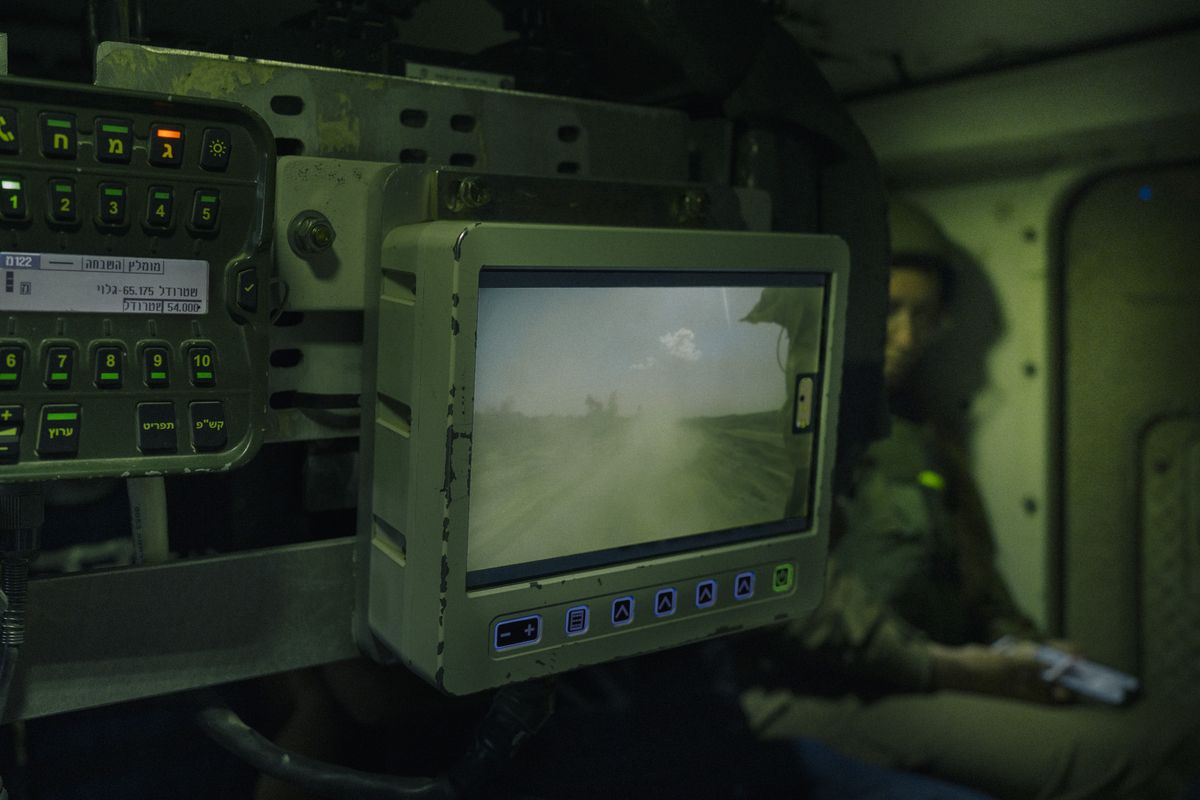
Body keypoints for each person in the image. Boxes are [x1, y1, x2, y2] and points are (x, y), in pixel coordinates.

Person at [737, 198, 1200, 800]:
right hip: (817, 687)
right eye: (890, 310)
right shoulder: (776, 420)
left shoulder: (914, 432)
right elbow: (797, 601)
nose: (906, 337)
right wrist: (952, 670)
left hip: (927, 670)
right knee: (1139, 759)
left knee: (1176, 730)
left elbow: (970, 573)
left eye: (924, 315)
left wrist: (1022, 645)